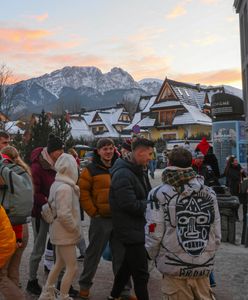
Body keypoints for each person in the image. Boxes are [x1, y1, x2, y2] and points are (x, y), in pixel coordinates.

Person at [145, 147, 221, 300]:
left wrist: (149, 257)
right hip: (202, 267)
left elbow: (154, 233)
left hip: (173, 269)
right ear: (190, 163)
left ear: (168, 162)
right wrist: (207, 254)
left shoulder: (157, 194)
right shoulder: (209, 193)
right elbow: (216, 231)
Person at [108, 138, 154, 300]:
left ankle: (114, 295)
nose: (151, 157)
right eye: (149, 154)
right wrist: (152, 204)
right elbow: (129, 204)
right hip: (130, 229)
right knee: (141, 274)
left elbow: (144, 194)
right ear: (139, 152)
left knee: (127, 266)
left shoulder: (138, 169)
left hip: (137, 227)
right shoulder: (123, 174)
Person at [78, 138, 119, 299]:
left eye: (110, 148)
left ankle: (123, 289)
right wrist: (93, 211)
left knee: (121, 256)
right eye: (104, 149)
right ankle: (84, 285)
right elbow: (83, 191)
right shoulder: (90, 169)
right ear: (98, 151)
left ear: (114, 149)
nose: (108, 151)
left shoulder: (120, 166)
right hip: (100, 218)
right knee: (93, 254)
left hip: (119, 218)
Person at [38, 153, 81, 300]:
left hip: (58, 231)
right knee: (72, 267)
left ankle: (47, 293)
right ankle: (63, 296)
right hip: (65, 233)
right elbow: (64, 215)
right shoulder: (65, 188)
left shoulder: (57, 184)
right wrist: (74, 228)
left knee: (59, 264)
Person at [26, 133, 64, 295]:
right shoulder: (37, 167)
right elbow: (34, 192)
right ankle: (32, 280)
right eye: (59, 151)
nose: (62, 154)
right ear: (51, 151)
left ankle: (61, 282)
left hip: (56, 211)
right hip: (40, 213)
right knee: (38, 248)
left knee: (58, 247)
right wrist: (48, 202)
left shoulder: (58, 163)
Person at [0, 146, 31, 291]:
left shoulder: (6, 175)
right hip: (21, 227)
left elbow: (8, 214)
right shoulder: (22, 173)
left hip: (9, 230)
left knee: (2, 275)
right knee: (13, 271)